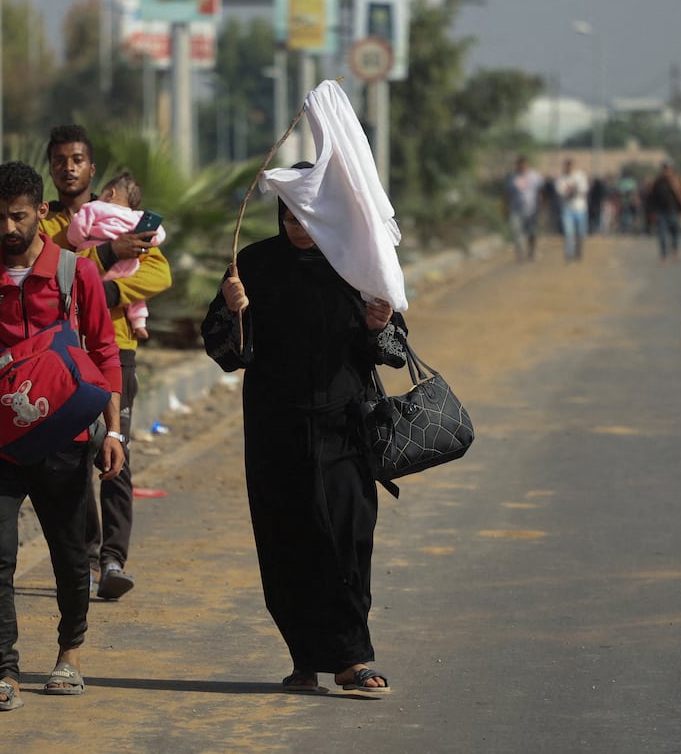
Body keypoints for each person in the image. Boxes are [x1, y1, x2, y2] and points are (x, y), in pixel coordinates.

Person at [0, 161, 125, 712]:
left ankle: (70, 655)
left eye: (18, 216)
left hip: (65, 436)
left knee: (69, 552)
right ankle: (5, 672)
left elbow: (104, 352)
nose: (8, 228)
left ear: (42, 212)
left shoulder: (76, 273)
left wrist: (114, 431)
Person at [200, 190, 407, 695]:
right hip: (276, 427)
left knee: (348, 538)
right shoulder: (254, 262)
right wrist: (233, 312)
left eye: (307, 217)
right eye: (289, 217)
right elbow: (224, 349)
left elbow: (396, 350)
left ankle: (353, 656)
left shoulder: (356, 263)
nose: (297, 227)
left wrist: (378, 325)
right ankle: (304, 657)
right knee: (287, 538)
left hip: (344, 426)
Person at [39, 124, 172, 602]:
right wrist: (109, 255)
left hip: (116, 352)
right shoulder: (45, 223)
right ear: (51, 167)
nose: (68, 167)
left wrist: (105, 290)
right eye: (59, 160)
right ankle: (90, 555)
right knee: (73, 460)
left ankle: (114, 559)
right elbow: (51, 274)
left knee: (116, 453)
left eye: (77, 159)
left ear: (92, 168)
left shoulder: (123, 215)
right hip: (62, 357)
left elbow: (159, 270)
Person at [66, 172, 167, 341]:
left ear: (110, 193)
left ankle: (98, 318)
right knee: (134, 293)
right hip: (128, 266)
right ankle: (139, 323)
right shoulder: (137, 216)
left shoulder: (93, 207)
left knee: (94, 287)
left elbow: (76, 233)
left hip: (98, 259)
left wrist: (79, 241)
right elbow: (159, 235)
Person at [646, 160, 681, 263]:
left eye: (668, 168)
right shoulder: (658, 182)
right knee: (661, 234)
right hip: (661, 212)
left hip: (674, 211)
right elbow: (652, 197)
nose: (666, 170)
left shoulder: (677, 181)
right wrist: (652, 211)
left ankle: (675, 251)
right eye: (664, 168)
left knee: (674, 232)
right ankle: (663, 256)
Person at [504, 156, 543, 262]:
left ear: (527, 165)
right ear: (517, 166)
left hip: (531, 210)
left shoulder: (535, 177)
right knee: (517, 233)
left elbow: (540, 192)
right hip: (516, 210)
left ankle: (532, 251)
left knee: (532, 233)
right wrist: (505, 208)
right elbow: (507, 194)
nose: (522, 167)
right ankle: (520, 253)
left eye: (524, 165)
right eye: (520, 165)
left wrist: (540, 205)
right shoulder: (512, 178)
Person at [556, 158, 589, 261]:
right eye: (567, 166)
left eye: (571, 165)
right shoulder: (561, 178)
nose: (569, 168)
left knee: (580, 234)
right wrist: (572, 191)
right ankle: (569, 255)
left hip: (580, 209)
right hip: (567, 210)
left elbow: (583, 191)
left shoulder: (580, 176)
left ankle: (578, 252)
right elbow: (561, 192)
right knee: (568, 233)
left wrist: (571, 191)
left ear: (574, 166)